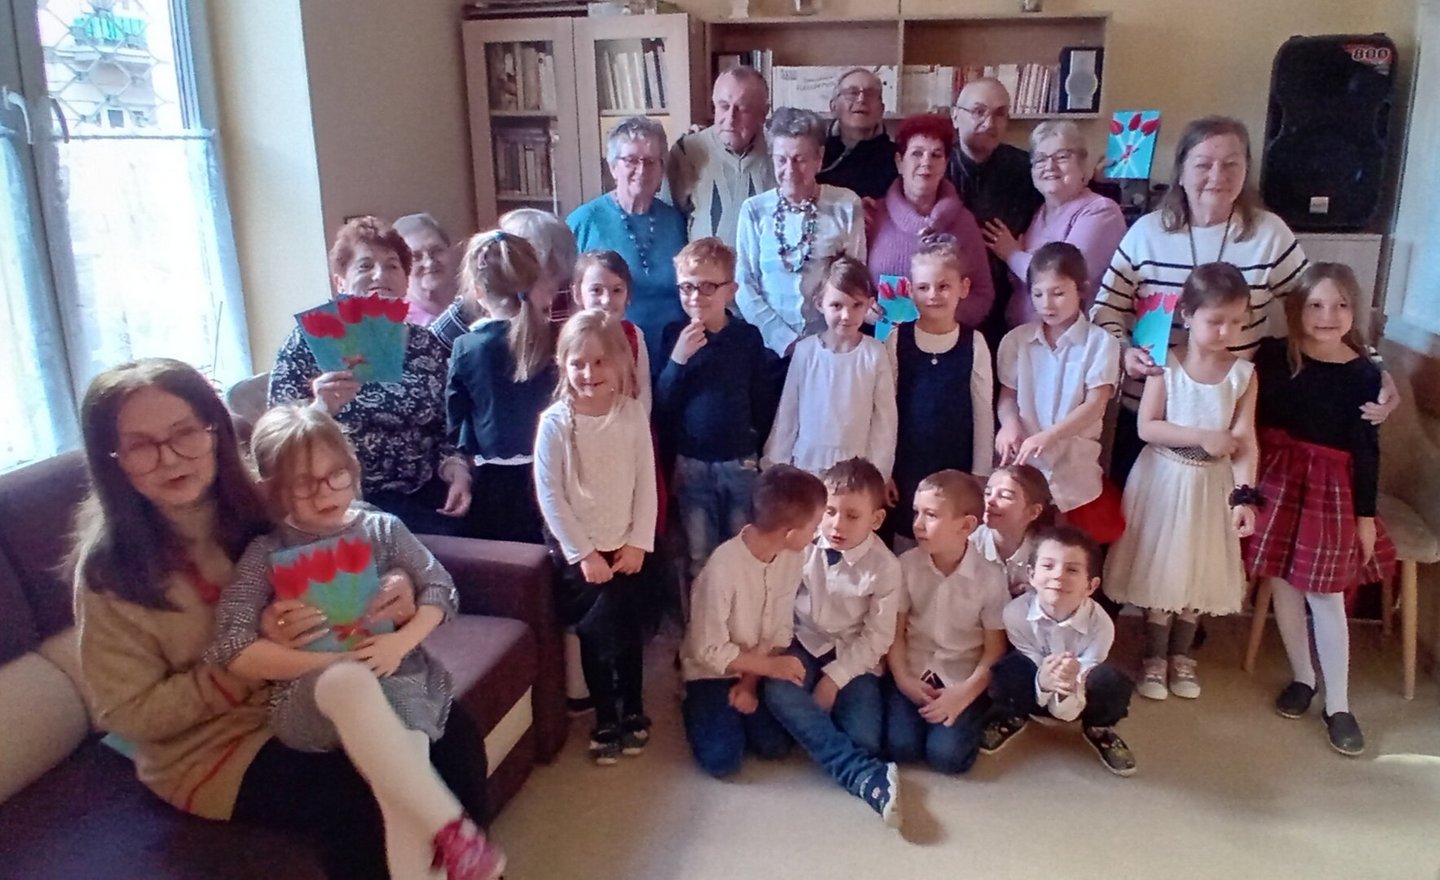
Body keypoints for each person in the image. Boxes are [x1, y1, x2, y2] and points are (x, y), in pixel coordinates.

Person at [71, 358, 483, 880]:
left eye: (184, 433)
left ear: (214, 430)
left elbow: (355, 525)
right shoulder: (109, 573)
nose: (170, 457)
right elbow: (127, 712)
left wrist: (398, 584)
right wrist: (251, 663)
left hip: (319, 692)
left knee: (454, 735)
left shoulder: (260, 503)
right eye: (141, 445)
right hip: (217, 747)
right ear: (113, 460)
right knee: (360, 797)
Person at [211, 405, 503, 880]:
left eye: (336, 475)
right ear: (274, 490)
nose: (326, 492)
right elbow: (231, 645)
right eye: (304, 484)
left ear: (352, 468)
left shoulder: (381, 529)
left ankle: (442, 850)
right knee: (345, 679)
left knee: (401, 783)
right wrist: (316, 660)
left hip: (396, 677)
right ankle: (452, 827)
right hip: (313, 702)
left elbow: (441, 589)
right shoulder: (266, 553)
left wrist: (401, 641)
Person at [1089, 115, 1398, 485]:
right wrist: (1124, 351)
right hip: (1149, 413)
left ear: (1246, 170)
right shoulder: (1145, 233)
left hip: (1229, 419)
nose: (1217, 175)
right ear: (1181, 172)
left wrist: (1374, 368)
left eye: (1231, 164)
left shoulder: (1270, 235)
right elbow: (1106, 308)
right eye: (1203, 164)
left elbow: (1318, 310)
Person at [1243, 263, 1397, 756]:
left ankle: (1339, 704)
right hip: (1277, 481)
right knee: (1283, 581)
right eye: (1315, 304)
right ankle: (1303, 678)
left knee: (1325, 594)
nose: (1327, 315)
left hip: (1330, 494)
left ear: (1355, 312)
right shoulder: (1273, 355)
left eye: (1340, 305)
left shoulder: (1365, 375)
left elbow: (1367, 450)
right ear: (1296, 309)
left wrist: (1365, 517)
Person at [1103, 263, 1259, 703]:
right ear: (1187, 315)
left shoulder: (1243, 374)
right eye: (1216, 320)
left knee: (1198, 565)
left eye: (1236, 321)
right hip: (1165, 478)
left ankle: (1182, 655)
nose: (1226, 331)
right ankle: (1154, 657)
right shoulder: (1165, 366)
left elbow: (1245, 440)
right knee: (1163, 565)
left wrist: (1244, 496)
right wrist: (1202, 436)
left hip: (1212, 485)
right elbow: (1147, 427)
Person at [269, 216, 472, 537]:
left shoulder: (425, 344)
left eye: (392, 266)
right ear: (341, 282)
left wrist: (456, 469)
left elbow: (448, 424)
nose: (381, 275)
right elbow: (274, 441)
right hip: (340, 502)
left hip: (423, 494)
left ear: (405, 280)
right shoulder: (307, 342)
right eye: (365, 266)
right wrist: (320, 409)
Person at [534, 309, 660, 765]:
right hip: (584, 555)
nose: (588, 373)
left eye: (599, 362)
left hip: (627, 549)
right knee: (594, 638)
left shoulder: (631, 415)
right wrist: (583, 553)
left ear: (621, 362)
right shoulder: (554, 423)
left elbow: (646, 482)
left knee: (628, 635)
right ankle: (605, 715)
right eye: (578, 363)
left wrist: (638, 541)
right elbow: (550, 494)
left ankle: (634, 708)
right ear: (564, 365)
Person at [761, 458, 903, 828]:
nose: (837, 525)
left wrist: (834, 679)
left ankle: (818, 729)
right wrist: (779, 657)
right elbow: (780, 607)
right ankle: (861, 774)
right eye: (830, 512)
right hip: (803, 644)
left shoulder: (886, 567)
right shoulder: (801, 547)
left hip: (853, 656)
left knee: (866, 739)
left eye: (852, 516)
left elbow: (877, 637)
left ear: (876, 520)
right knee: (775, 705)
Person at [679, 465, 827, 778]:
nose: (817, 533)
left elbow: (779, 631)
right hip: (712, 671)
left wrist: (749, 684)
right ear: (789, 534)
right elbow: (707, 650)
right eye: (814, 526)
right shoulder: (722, 568)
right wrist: (771, 668)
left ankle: (735, 709)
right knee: (722, 760)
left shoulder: (793, 557)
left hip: (756, 666)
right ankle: (693, 702)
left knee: (775, 746)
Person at [658, 237, 775, 587]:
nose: (695, 297)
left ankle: (738, 617)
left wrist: (758, 449)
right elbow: (663, 404)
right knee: (699, 555)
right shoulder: (673, 335)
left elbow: (762, 400)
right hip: (691, 464)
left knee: (741, 552)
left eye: (707, 287)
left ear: (731, 290)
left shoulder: (747, 338)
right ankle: (703, 620)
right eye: (687, 287)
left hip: (740, 462)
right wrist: (678, 360)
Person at [980, 525, 1137, 777]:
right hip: (1037, 685)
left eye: (1072, 570)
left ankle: (1099, 728)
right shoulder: (1015, 614)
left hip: (1079, 693)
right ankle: (1013, 715)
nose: (1058, 576)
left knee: (1112, 681)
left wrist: (1070, 681)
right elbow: (1029, 657)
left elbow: (1081, 681)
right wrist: (1044, 680)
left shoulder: (1101, 625)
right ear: (1031, 575)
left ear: (1091, 585)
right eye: (1048, 566)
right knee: (1009, 669)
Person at [995, 242, 1125, 544]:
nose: (1047, 304)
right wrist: (1009, 425)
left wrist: (1049, 436)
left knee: (1067, 546)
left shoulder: (1100, 343)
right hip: (1025, 465)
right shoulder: (1016, 340)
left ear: (1081, 289)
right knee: (1021, 543)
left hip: (1074, 469)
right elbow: (1007, 397)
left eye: (1058, 293)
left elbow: (1095, 405)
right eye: (1038, 294)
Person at [885, 470, 1008, 774]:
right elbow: (895, 633)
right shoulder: (905, 566)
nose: (917, 524)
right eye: (916, 512)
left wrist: (964, 694)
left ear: (966, 526)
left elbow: (994, 650)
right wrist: (903, 679)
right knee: (900, 747)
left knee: (947, 757)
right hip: (914, 671)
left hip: (960, 678)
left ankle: (987, 711)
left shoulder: (990, 577)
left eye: (931, 515)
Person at [883, 236, 994, 545]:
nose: (933, 295)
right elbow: (885, 411)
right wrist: (884, 469)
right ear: (910, 290)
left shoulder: (975, 343)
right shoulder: (897, 340)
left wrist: (980, 472)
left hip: (956, 463)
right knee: (908, 537)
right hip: (906, 465)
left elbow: (983, 411)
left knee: (949, 538)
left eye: (944, 286)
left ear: (964, 287)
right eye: (923, 287)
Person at [445, 230, 554, 544]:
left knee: (504, 559)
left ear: (478, 291)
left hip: (494, 480)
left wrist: (463, 453)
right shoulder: (554, 338)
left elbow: (456, 414)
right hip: (550, 474)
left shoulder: (467, 347)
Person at [736, 108, 867, 360]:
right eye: (781, 160)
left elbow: (854, 280)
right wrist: (784, 341)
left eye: (800, 159)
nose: (790, 170)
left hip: (830, 347)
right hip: (769, 351)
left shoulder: (846, 205)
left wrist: (827, 339)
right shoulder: (754, 210)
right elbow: (744, 284)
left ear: (819, 158)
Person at [568, 117, 688, 373]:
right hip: (609, 358)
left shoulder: (676, 221)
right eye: (631, 160)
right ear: (613, 167)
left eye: (651, 161)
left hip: (675, 357)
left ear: (662, 169)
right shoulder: (584, 221)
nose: (642, 170)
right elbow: (564, 301)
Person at [981, 120, 1126, 328]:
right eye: (1040, 159)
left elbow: (1062, 276)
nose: (1049, 166)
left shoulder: (1101, 211)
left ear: (1083, 164)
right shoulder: (1038, 213)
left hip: (1071, 341)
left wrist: (1012, 254)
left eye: (1062, 156)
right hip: (1024, 337)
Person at [764, 257, 897, 481]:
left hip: (854, 472)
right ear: (820, 304)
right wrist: (776, 464)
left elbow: (885, 421)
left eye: (856, 305)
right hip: (806, 466)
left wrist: (880, 474)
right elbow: (788, 411)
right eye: (837, 305)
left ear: (869, 304)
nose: (846, 316)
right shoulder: (805, 351)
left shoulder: (875, 354)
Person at [865, 113, 994, 330]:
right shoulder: (872, 215)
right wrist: (863, 308)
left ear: (945, 164)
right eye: (917, 153)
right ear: (899, 162)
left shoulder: (964, 222)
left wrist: (942, 316)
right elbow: (852, 285)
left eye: (936, 155)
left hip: (944, 342)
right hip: (881, 341)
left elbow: (983, 294)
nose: (926, 162)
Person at [947, 77, 1043, 349]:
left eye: (999, 114)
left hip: (1008, 310)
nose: (989, 123)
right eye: (979, 111)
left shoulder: (1027, 169)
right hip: (946, 303)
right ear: (955, 116)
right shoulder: (935, 166)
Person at [432, 208, 580, 348]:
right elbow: (431, 345)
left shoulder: (565, 295)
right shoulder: (479, 299)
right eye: (549, 275)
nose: (554, 292)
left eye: (558, 278)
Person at [666, 66, 774, 245]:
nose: (730, 119)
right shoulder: (686, 151)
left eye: (743, 109)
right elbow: (667, 224)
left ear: (763, 113)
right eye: (724, 106)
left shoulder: (780, 154)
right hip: (701, 263)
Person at [573, 250, 651, 414]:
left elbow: (644, 394)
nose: (607, 300)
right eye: (596, 290)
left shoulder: (634, 335)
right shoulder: (571, 338)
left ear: (628, 294)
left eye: (617, 290)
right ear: (578, 294)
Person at [970, 464, 1058, 597]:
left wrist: (1032, 594)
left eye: (1005, 496)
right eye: (987, 493)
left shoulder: (1047, 551)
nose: (990, 501)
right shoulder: (969, 544)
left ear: (1033, 512)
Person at [817, 68, 898, 199]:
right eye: (852, 93)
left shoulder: (897, 158)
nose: (861, 99)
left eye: (870, 94)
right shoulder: (817, 154)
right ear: (834, 107)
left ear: (881, 109)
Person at [395, 212, 460, 327]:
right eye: (415, 257)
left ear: (450, 250)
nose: (429, 262)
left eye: (437, 251)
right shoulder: (398, 325)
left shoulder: (477, 305)